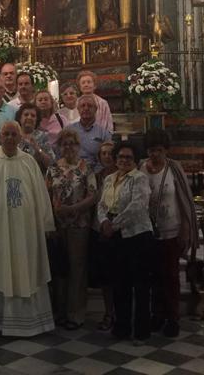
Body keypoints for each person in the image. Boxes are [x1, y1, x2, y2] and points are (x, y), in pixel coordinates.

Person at [0, 122, 56, 337]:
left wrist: (45, 223)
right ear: (0, 136)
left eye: (14, 134)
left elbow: (41, 195)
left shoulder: (29, 162)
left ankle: (30, 321)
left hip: (27, 231)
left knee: (28, 268)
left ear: (20, 137)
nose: (9, 138)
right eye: (5, 134)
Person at [139, 129, 198, 338]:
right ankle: (157, 314)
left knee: (170, 275)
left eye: (158, 150)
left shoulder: (174, 168)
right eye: (151, 150)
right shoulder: (141, 168)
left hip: (171, 228)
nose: (154, 154)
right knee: (153, 274)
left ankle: (173, 317)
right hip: (148, 230)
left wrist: (186, 228)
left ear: (166, 150)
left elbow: (184, 199)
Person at [95, 141, 154, 343]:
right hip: (115, 237)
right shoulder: (110, 178)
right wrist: (104, 221)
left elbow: (137, 206)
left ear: (135, 160)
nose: (124, 160)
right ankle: (122, 327)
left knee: (140, 285)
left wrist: (114, 225)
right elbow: (101, 204)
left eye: (128, 157)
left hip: (137, 236)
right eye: (120, 156)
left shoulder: (139, 179)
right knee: (120, 284)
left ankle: (141, 330)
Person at [46, 128, 98, 330]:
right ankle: (59, 311)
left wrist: (72, 209)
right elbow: (46, 194)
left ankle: (75, 314)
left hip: (79, 225)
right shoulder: (53, 168)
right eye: (64, 144)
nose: (68, 147)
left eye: (72, 144)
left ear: (78, 146)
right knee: (60, 269)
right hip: (58, 226)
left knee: (77, 268)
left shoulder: (86, 168)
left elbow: (92, 196)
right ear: (59, 146)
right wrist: (51, 218)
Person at [90, 139, 117, 331]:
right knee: (106, 277)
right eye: (103, 153)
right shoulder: (97, 176)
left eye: (110, 153)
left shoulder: (125, 175)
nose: (107, 156)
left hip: (118, 229)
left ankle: (121, 312)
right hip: (99, 229)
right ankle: (108, 313)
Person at [64, 95, 113, 171]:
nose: (86, 108)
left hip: (96, 173)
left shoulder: (104, 134)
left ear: (95, 109)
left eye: (90, 106)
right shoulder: (68, 130)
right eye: (83, 106)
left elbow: (108, 160)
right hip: (71, 172)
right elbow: (61, 155)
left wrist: (95, 173)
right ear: (78, 109)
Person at [15, 103, 54, 171]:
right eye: (26, 115)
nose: (29, 117)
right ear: (20, 118)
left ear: (37, 120)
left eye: (33, 116)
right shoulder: (13, 135)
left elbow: (51, 163)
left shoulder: (43, 136)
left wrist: (38, 149)